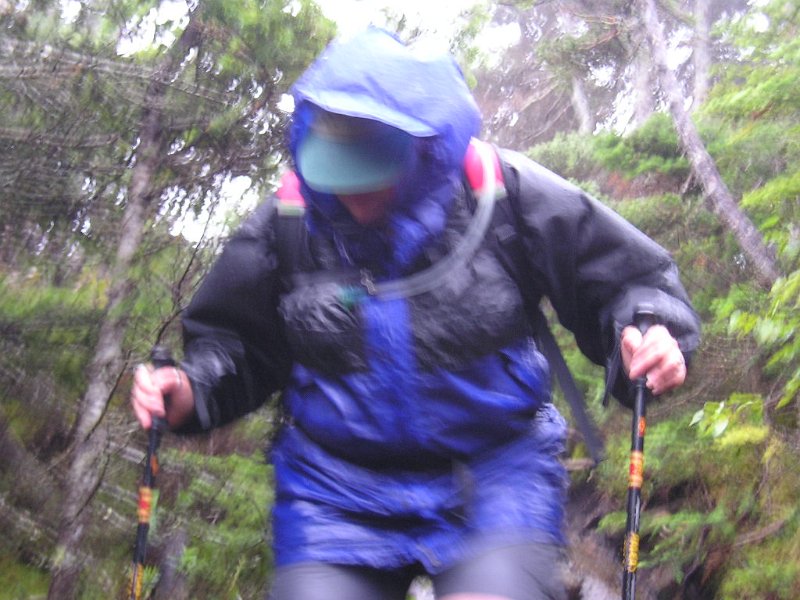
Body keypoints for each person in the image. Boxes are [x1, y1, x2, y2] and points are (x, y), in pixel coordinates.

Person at [131, 27, 700, 600]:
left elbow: (627, 281)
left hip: (496, 474)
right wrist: (189, 389)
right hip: (334, 492)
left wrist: (650, 332)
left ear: (427, 150)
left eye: (370, 171)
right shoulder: (288, 224)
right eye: (336, 169)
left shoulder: (504, 195)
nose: (351, 196)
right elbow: (236, 344)